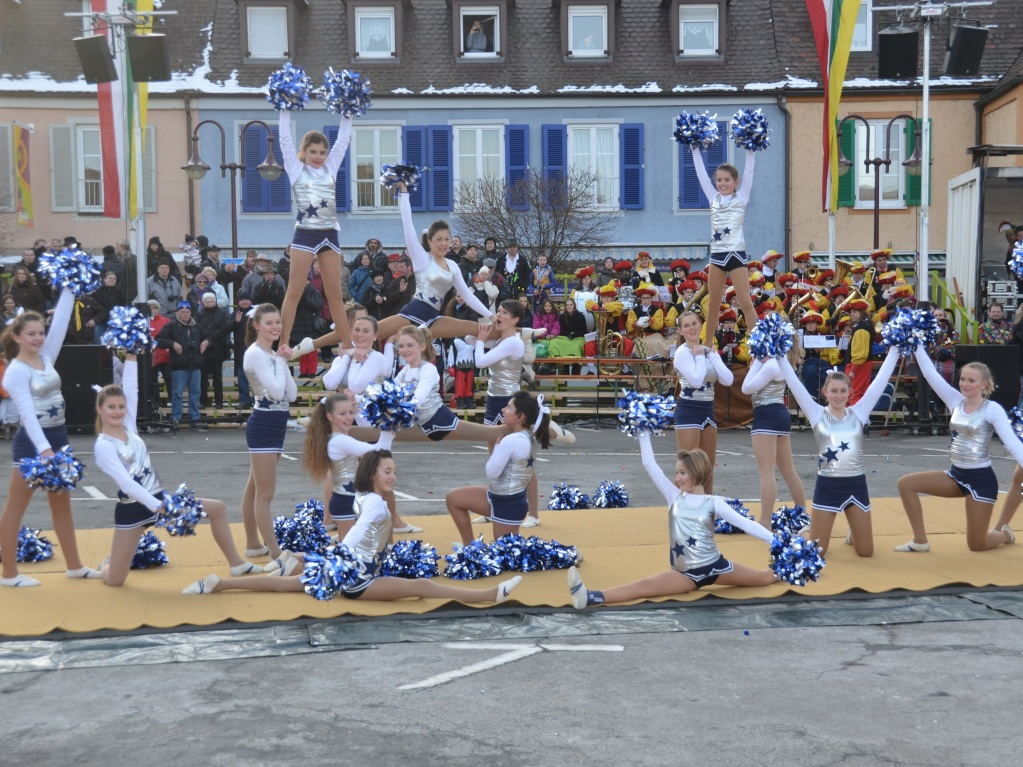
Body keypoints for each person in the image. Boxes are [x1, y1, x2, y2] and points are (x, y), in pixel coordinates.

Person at [182, 450, 524, 604]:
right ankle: (487, 596)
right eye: (388, 472)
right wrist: (336, 553)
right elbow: (359, 532)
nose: (393, 476)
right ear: (374, 474)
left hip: (348, 569)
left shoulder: (366, 495)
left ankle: (219, 584)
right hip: (360, 578)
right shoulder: (374, 502)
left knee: (284, 586)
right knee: (422, 585)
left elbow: (362, 526)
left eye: (394, 471)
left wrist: (330, 556)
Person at [92, 355, 263, 586]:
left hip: (160, 499)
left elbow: (131, 389)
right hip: (133, 510)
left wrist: (131, 357)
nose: (118, 411)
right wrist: (158, 507)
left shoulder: (129, 428)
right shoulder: (103, 446)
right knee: (115, 580)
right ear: (100, 409)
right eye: (111, 407)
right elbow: (126, 484)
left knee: (217, 509)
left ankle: (237, 564)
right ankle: (106, 565)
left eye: (121, 407)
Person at [566, 437, 777, 608]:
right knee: (643, 586)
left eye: (682, 473)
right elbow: (650, 465)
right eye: (677, 472)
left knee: (765, 577)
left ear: (697, 472)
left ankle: (792, 564)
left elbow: (747, 524)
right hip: (685, 575)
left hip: (717, 568)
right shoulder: (674, 497)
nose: (677, 478)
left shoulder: (714, 503)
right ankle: (590, 596)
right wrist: (642, 431)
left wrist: (778, 543)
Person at [300, 183, 493, 353]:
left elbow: (468, 296)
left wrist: (490, 315)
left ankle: (520, 333)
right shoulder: (422, 258)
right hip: (410, 314)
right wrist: (404, 192)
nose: (444, 243)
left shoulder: (453, 265)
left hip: (434, 319)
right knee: (366, 333)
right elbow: (407, 223)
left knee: (480, 327)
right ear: (430, 241)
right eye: (439, 239)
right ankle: (310, 345)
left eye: (447, 239)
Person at [0, 289, 100, 586]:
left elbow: (61, 321)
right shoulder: (15, 371)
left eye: (41, 333)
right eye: (31, 334)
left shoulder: (46, 356)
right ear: (17, 337)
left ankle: (74, 566)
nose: (39, 338)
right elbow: (28, 415)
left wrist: (69, 286)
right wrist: (44, 450)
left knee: (62, 505)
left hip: (59, 439)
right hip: (33, 444)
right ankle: (9, 574)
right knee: (15, 509)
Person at [895, 345, 1023, 553]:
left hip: (981, 482)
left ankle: (1005, 533)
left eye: (971, 381)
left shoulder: (992, 409)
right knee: (906, 484)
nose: (965, 384)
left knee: (976, 545)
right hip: (955, 476)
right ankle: (920, 540)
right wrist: (914, 339)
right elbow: (929, 373)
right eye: (962, 379)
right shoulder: (955, 401)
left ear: (984, 384)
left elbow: (1011, 442)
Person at [778, 345, 900, 557]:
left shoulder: (859, 412)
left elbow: (879, 382)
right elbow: (794, 383)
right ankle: (804, 530)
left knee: (865, 552)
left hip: (856, 485)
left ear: (849, 392)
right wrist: (779, 353)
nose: (838, 395)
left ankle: (855, 533)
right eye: (833, 391)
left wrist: (896, 349)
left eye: (843, 391)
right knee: (818, 551)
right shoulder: (816, 413)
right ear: (825, 393)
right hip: (828, 487)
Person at [277, 110, 354, 351]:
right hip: (305, 235)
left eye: (322, 152)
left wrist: (347, 114)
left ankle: (348, 344)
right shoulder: (295, 168)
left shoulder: (331, 167)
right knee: (295, 289)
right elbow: (284, 140)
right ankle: (283, 343)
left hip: (330, 235)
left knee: (334, 293)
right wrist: (285, 110)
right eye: (313, 152)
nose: (318, 156)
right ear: (304, 152)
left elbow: (343, 141)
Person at [447, 391, 551, 544]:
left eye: (508, 407)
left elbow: (492, 472)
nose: (503, 410)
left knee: (508, 554)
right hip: (501, 498)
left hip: (507, 504)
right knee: (454, 498)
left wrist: (496, 446)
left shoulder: (511, 440)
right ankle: (469, 547)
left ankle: (565, 554)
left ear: (520, 416)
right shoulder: (527, 435)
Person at [240, 303, 298, 572]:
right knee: (265, 493)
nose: (275, 327)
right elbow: (276, 393)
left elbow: (293, 395)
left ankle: (253, 543)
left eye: (278, 322)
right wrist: (282, 361)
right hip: (263, 425)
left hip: (276, 426)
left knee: (254, 488)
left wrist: (281, 360)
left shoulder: (270, 354)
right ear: (256, 326)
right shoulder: (255, 354)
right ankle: (275, 552)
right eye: (269, 323)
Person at [688, 145, 759, 346]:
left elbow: (749, 171)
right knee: (713, 304)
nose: (722, 183)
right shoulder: (713, 197)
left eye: (727, 180)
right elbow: (700, 173)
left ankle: (757, 346)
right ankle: (708, 345)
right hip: (717, 257)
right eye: (719, 180)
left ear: (736, 182)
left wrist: (750, 150)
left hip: (736, 255)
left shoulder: (742, 196)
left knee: (745, 301)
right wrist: (694, 150)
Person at [302, 392, 395, 541]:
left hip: (349, 501)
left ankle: (296, 561)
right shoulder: (340, 442)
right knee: (349, 556)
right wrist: (388, 428)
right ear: (330, 416)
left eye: (351, 412)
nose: (349, 417)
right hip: (346, 502)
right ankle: (295, 563)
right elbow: (381, 453)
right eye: (342, 413)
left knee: (350, 552)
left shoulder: (342, 439)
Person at [741, 346, 808, 526]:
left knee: (766, 471)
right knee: (788, 471)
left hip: (766, 416)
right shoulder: (781, 362)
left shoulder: (771, 364)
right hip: (779, 415)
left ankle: (765, 521)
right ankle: (803, 515)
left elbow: (746, 388)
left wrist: (755, 363)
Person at [673, 310, 733, 493]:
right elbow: (696, 381)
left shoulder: (707, 350)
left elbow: (728, 379)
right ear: (681, 331)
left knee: (708, 465)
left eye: (694, 324)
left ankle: (707, 507)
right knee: (689, 466)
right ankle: (684, 508)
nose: (691, 328)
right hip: (689, 411)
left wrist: (711, 354)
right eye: (686, 325)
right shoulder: (682, 353)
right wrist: (700, 355)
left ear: (700, 325)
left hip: (708, 410)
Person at [156, 301, 210, 430]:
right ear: (177, 313)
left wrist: (206, 342)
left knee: (195, 393)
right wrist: (172, 344)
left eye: (187, 312)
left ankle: (194, 419)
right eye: (182, 312)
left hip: (195, 365)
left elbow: (208, 335)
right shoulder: (171, 325)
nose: (185, 314)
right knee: (177, 394)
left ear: (190, 313)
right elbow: (159, 339)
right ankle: (175, 418)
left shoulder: (197, 326)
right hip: (179, 366)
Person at [196, 292, 232, 408]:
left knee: (217, 377)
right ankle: (203, 401)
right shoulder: (199, 314)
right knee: (203, 377)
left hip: (218, 348)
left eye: (212, 301)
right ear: (203, 303)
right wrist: (206, 339)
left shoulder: (222, 313)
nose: (210, 304)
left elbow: (225, 328)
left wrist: (210, 339)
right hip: (204, 349)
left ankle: (219, 401)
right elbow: (197, 328)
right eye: (208, 302)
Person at [147, 300, 172, 416]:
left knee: (169, 379)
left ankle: (173, 401)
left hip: (165, 355)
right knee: (152, 381)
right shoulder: (144, 322)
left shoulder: (166, 321)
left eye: (155, 308)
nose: (154, 310)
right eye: (151, 308)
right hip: (152, 356)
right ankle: (155, 404)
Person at [92, 270, 128, 344]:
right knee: (99, 346)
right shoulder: (97, 292)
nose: (112, 280)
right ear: (104, 279)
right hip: (100, 323)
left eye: (114, 279)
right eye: (110, 278)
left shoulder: (120, 293)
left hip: (115, 324)